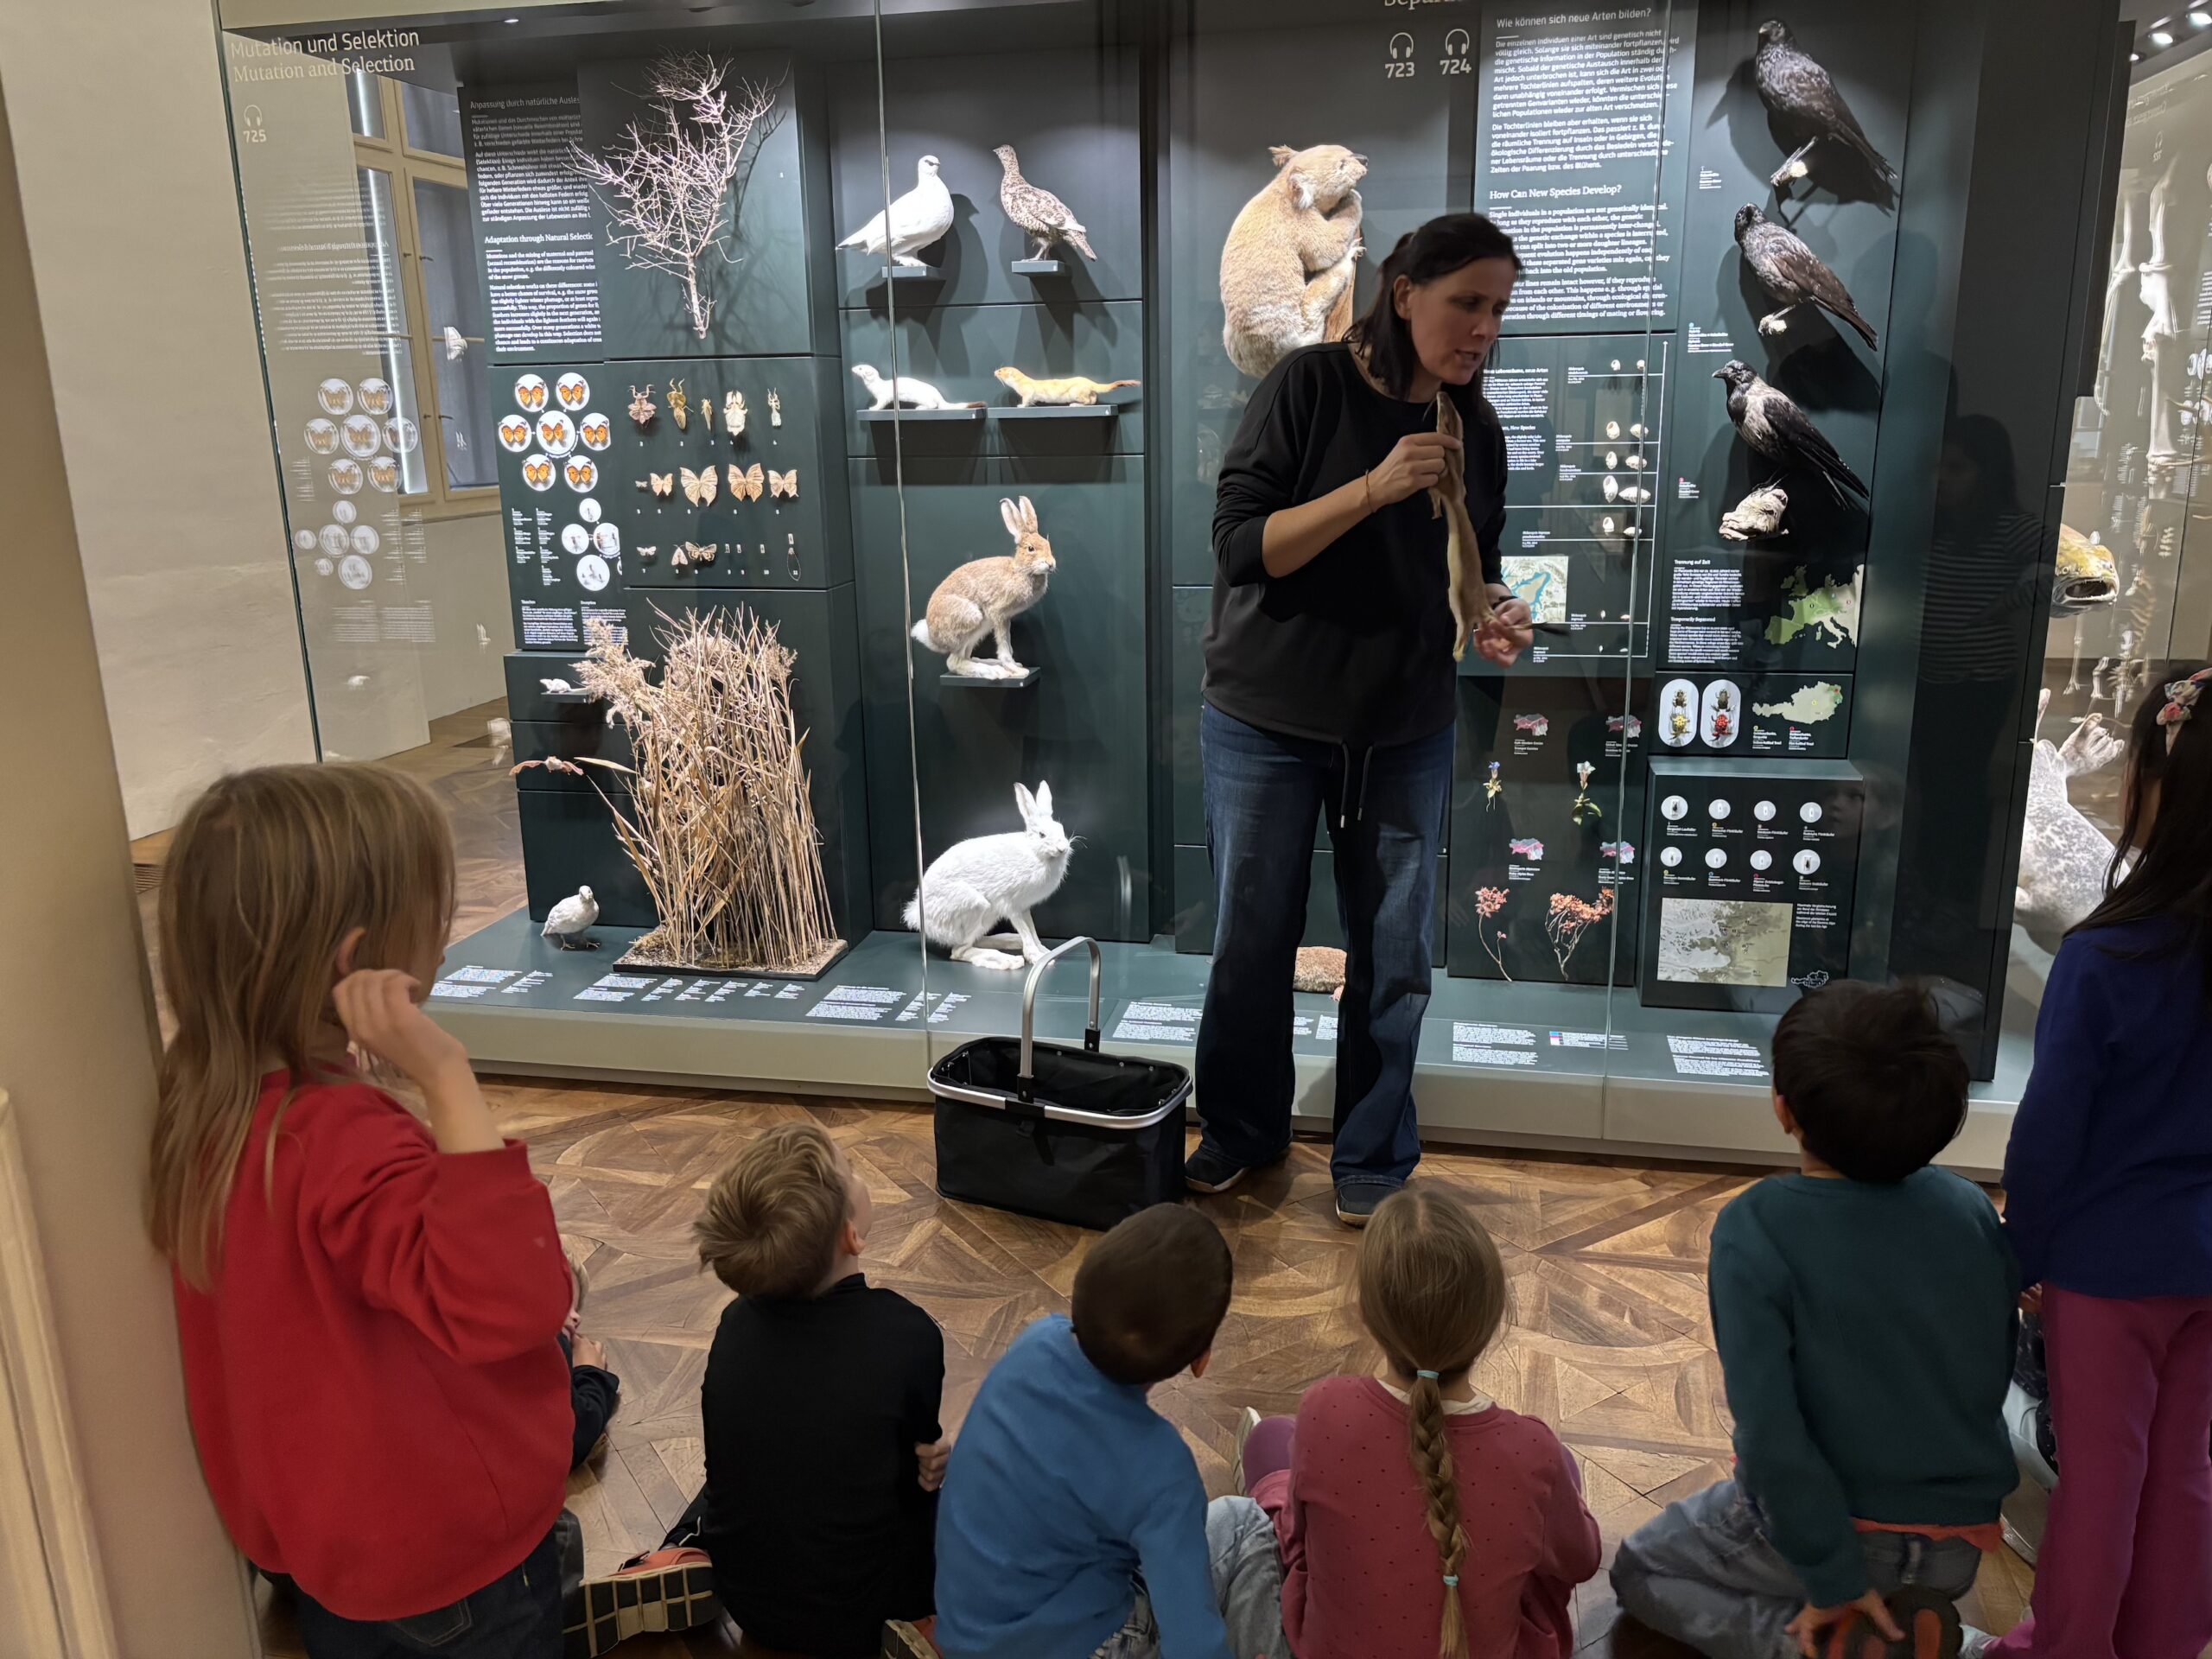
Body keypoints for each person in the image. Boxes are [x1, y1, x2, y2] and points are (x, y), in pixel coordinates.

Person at [149, 765, 575, 1659]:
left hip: (331, 1560)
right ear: (357, 963)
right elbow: (516, 1304)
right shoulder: (340, 1138)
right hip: (455, 1568)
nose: (446, 946)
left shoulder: (205, 1114)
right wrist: (445, 1073)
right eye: (434, 920)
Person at [1192, 213, 1535, 1225]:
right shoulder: (1308, 386)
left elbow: (1474, 565)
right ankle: (1242, 1132)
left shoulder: (1476, 428)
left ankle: (1373, 1153)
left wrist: (1496, 610)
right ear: (1405, 293)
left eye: (1498, 309)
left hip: (1404, 728)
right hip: (1267, 719)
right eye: (1467, 303)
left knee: (1395, 958)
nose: (1484, 329)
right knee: (1251, 941)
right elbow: (1242, 548)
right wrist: (1372, 488)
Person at [1611, 981, 2018, 1659]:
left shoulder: (1757, 1226)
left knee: (1644, 1570)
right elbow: (1991, 1364)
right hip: (1957, 1546)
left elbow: (1770, 1430)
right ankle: (1925, 1634)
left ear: (1784, 1109)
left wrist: (1832, 1575)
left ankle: (1822, 1645)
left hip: (1838, 1536)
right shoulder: (1970, 1207)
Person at [1988, 664, 2212, 1659]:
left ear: (2153, 786)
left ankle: (2069, 1645)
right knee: (2184, 1467)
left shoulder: (2106, 956)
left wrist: (2023, 1249)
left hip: (2107, 1264)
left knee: (2101, 1475)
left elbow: (2050, 1130)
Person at [582, 1122, 946, 1659]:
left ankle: (683, 1550)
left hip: (749, 1600)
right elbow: (916, 1472)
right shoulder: (909, 1333)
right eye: (851, 1170)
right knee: (947, 1479)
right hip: (865, 1614)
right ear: (852, 1236)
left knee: (757, 1463)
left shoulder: (735, 1323)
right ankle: (926, 1620)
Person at [1239, 1189, 1599, 1658]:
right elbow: (1582, 1561)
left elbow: (1299, 1537)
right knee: (1561, 1466)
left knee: (1270, 1437)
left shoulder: (1325, 1408)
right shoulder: (1532, 1450)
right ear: (1493, 1317)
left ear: (1366, 1313)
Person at [932, 1205, 1286, 1659]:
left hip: (966, 1630)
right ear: (1201, 1360)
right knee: (1245, 1521)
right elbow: (1192, 1641)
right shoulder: (1163, 1468)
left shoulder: (1035, 1342)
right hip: (1073, 1643)